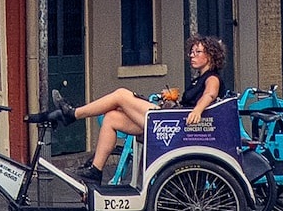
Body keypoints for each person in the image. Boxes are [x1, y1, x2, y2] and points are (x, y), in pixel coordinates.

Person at [26, 35, 226, 182]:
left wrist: (198, 110)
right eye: (191, 51)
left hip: (175, 126)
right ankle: (96, 170)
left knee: (121, 94)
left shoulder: (212, 78)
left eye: (197, 52)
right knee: (112, 117)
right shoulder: (198, 78)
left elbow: (210, 94)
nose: (191, 55)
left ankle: (72, 114)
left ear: (210, 56)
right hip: (171, 121)